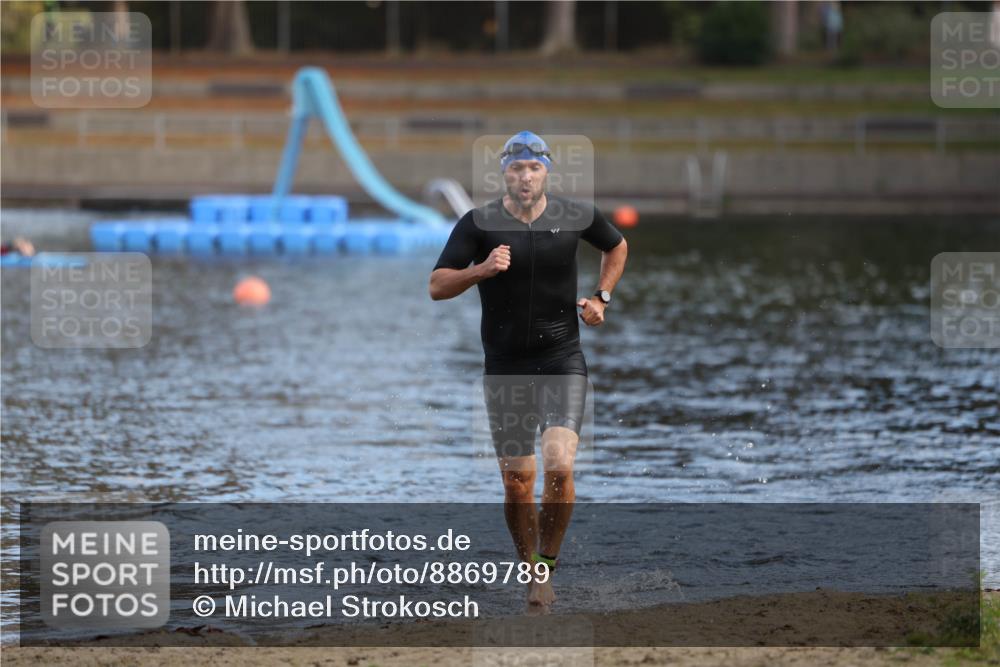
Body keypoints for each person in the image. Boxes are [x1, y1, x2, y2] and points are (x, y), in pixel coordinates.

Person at [428, 131, 628, 613]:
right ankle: (532, 574)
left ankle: (546, 565)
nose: (525, 177)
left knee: (559, 465)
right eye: (516, 168)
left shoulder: (575, 214)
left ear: (546, 172)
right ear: (505, 173)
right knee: (518, 482)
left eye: (534, 168)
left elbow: (617, 246)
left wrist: (602, 297)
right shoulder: (479, 224)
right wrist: (480, 270)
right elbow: (436, 286)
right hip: (505, 367)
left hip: (562, 359)